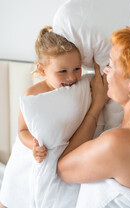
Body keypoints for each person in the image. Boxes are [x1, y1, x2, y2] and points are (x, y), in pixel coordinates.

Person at [57, 25, 130, 208]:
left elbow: (63, 170)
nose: (105, 72)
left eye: (111, 65)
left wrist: (96, 107)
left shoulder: (117, 144)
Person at [0, 26, 87, 208]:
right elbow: (22, 130)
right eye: (62, 71)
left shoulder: (78, 90)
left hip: (58, 157)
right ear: (42, 70)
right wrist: (33, 144)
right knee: (14, 196)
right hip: (29, 154)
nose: (72, 77)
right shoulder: (33, 95)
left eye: (77, 68)